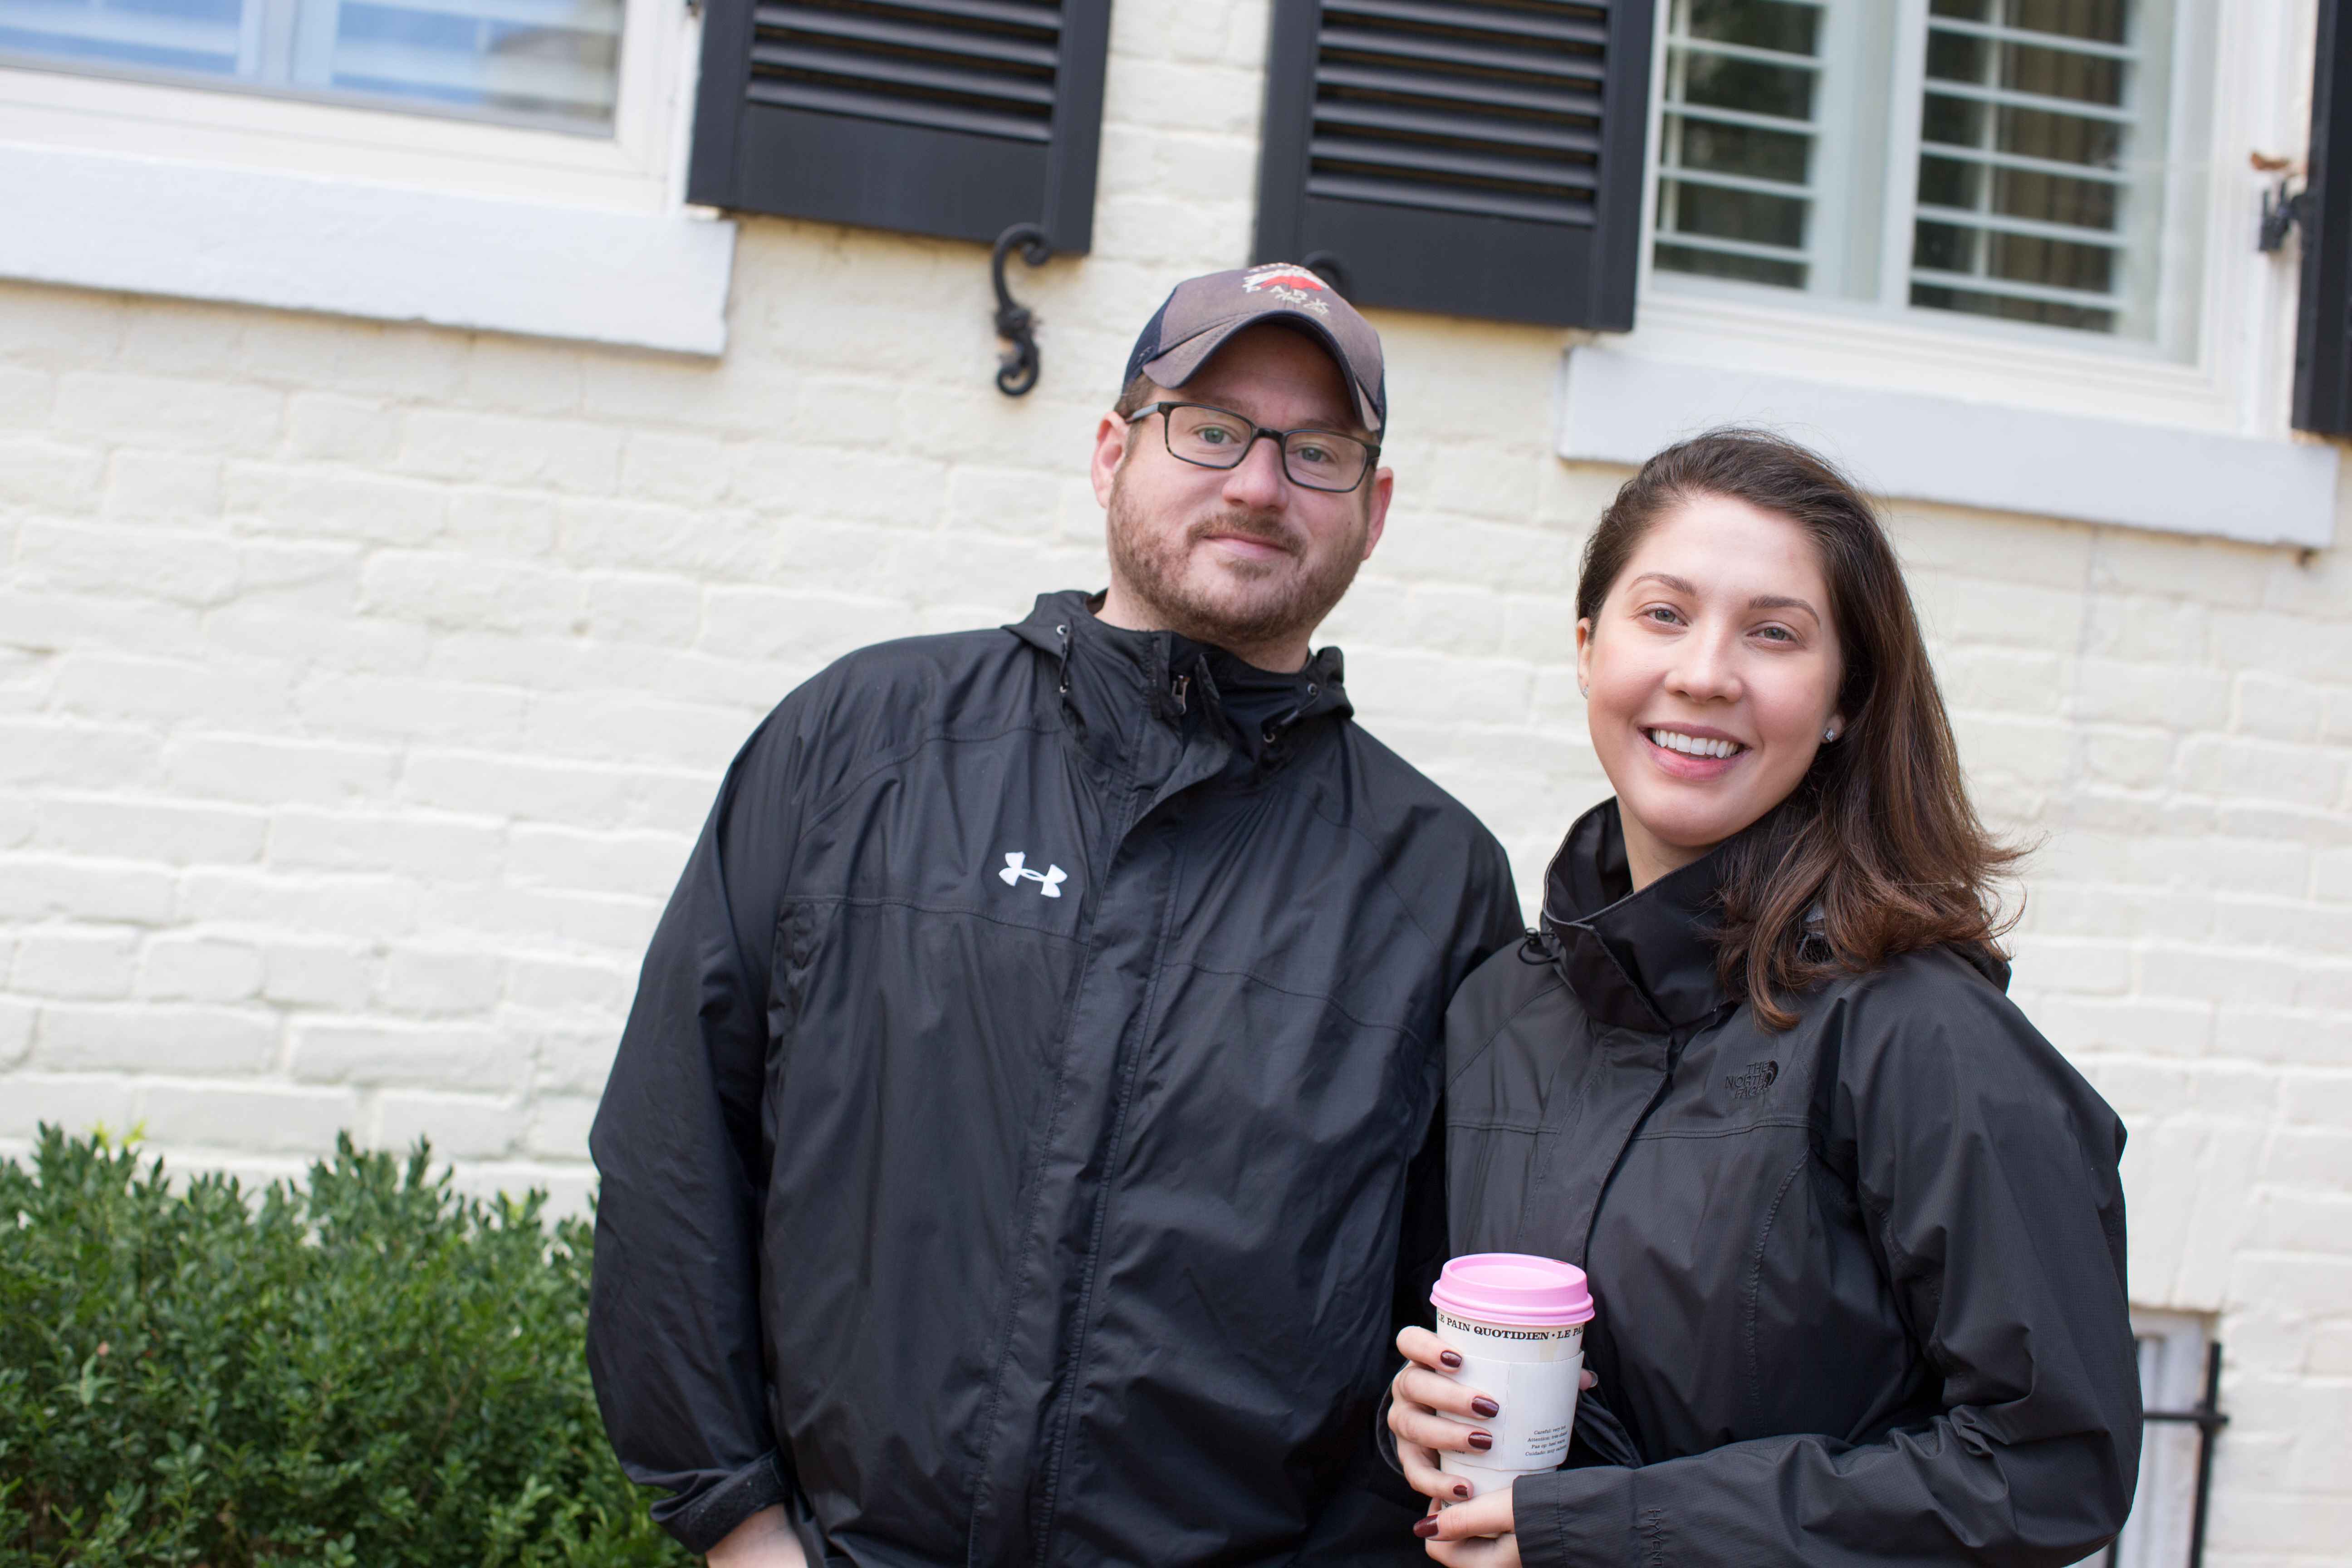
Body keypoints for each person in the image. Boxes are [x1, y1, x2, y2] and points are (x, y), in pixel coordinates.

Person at [586, 264, 1524, 1567]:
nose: (1260, 484)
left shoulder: (1438, 881)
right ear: (1109, 455)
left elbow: (1441, 1314)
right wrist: (741, 1528)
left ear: (1374, 513)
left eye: (1317, 452)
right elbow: (673, 1146)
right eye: (1210, 429)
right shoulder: (862, 745)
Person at [1386, 431, 2141, 1566]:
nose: (1706, 673)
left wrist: (1620, 1533)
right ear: (1588, 649)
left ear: (1844, 701)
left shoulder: (1922, 1035)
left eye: (1774, 633)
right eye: (1664, 614)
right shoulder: (1497, 1013)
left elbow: (2050, 1468)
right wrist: (1419, 1410)